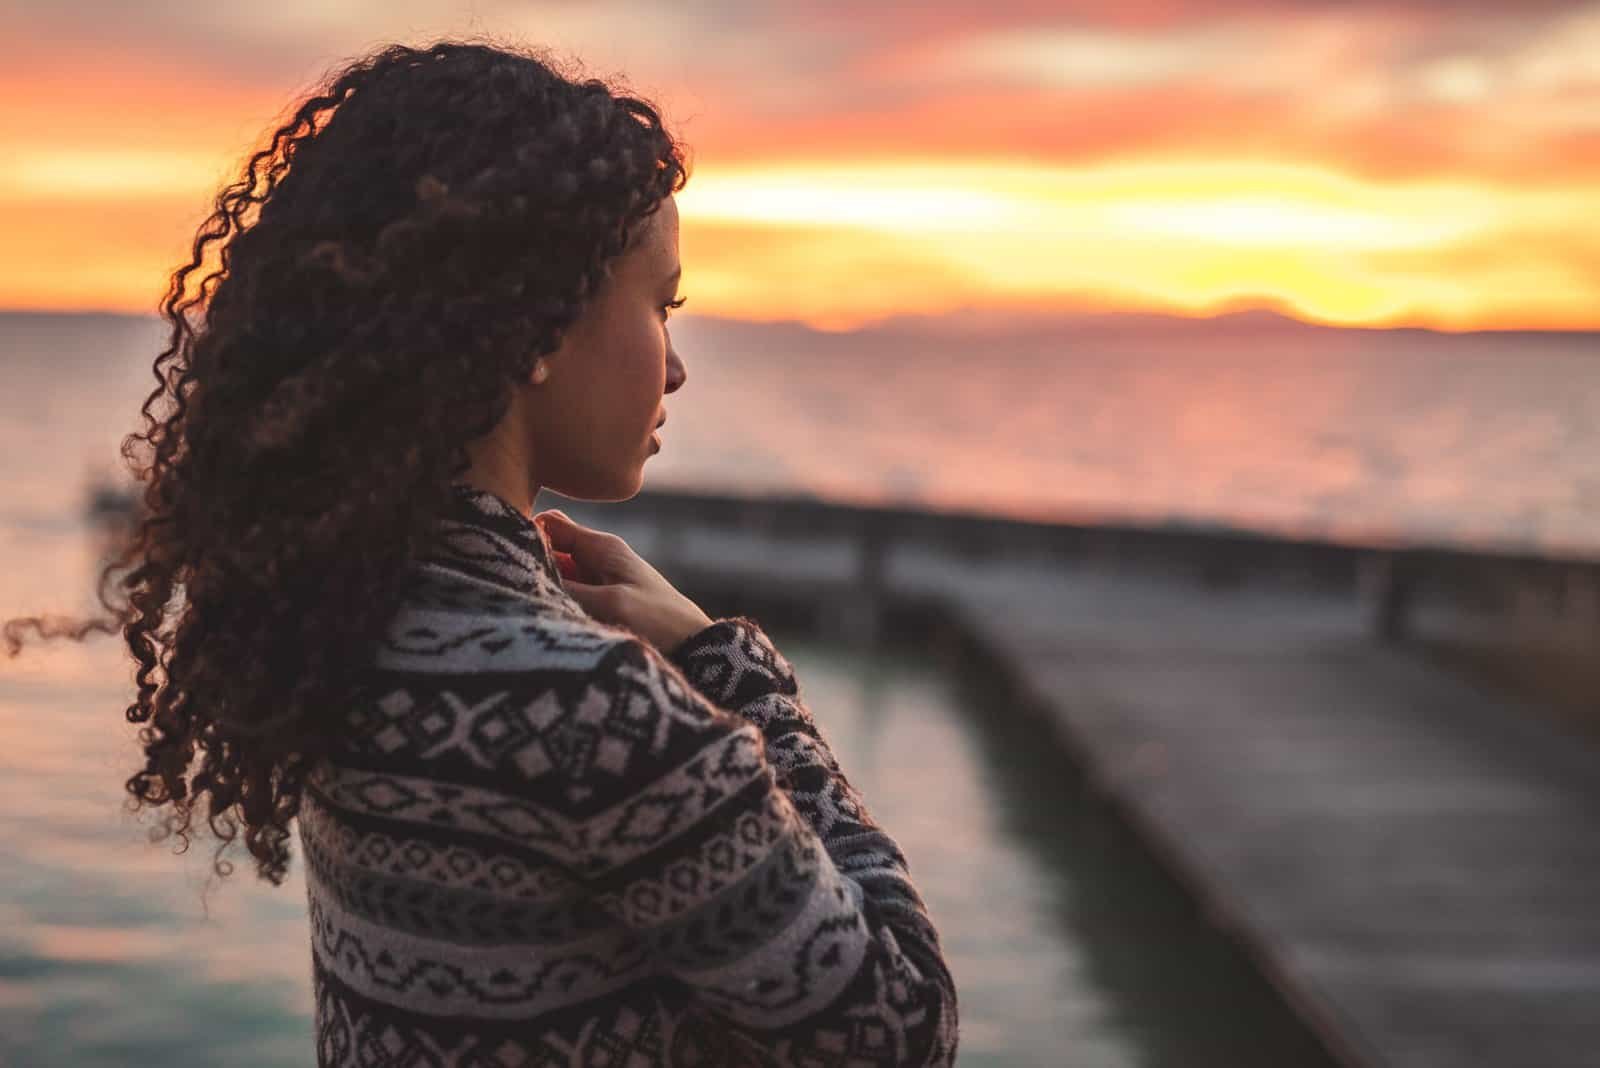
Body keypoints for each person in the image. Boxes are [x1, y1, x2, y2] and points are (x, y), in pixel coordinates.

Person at [2, 39, 957, 1066]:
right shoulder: (594, 709)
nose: (676, 368)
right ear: (537, 326)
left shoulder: (342, 617)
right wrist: (732, 669)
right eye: (660, 304)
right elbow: (902, 1031)